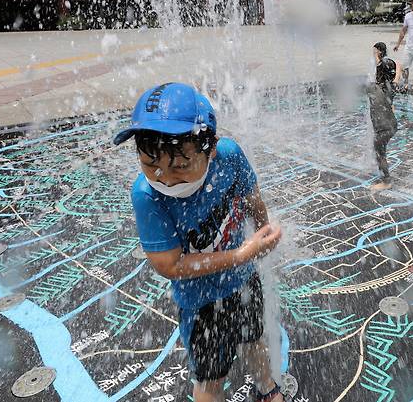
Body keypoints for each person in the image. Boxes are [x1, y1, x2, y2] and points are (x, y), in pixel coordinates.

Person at [113, 83, 285, 402]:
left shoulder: (229, 157)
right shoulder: (147, 196)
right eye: (151, 165)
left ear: (211, 148)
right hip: (200, 302)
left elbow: (251, 195)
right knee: (210, 376)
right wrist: (243, 253)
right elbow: (169, 264)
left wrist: (263, 229)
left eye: (180, 166)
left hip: (244, 280)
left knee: (254, 338)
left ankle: (267, 387)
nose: (165, 178)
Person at [369, 42, 399, 191]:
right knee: (380, 150)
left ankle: (386, 181)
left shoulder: (375, 89)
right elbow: (396, 69)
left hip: (383, 128)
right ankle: (385, 179)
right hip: (391, 125)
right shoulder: (391, 87)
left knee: (379, 152)